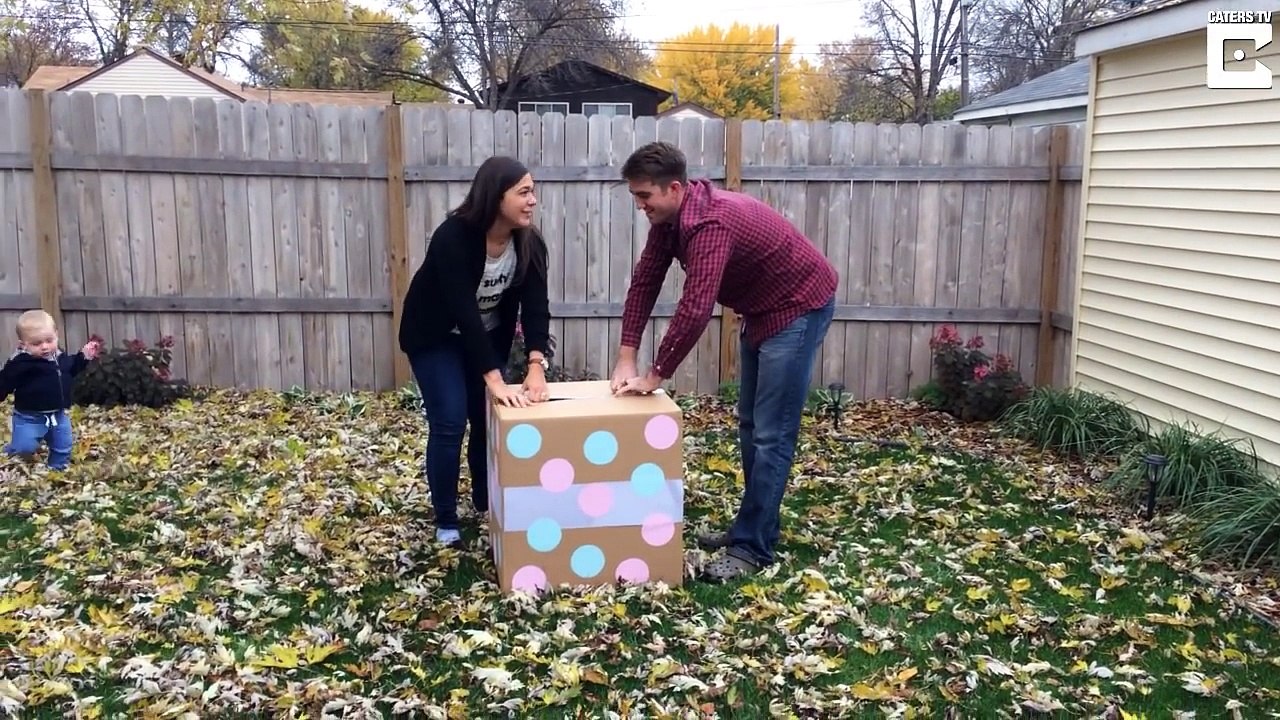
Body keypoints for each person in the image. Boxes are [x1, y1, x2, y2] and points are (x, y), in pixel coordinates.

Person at [611, 141, 839, 582]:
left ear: (674, 188)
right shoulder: (670, 220)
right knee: (751, 425)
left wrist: (656, 374)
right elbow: (644, 283)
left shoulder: (711, 223)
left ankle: (751, 548)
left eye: (644, 196)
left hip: (799, 306)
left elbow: (696, 307)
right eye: (635, 196)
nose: (640, 206)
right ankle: (755, 527)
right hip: (764, 308)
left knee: (772, 434)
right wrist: (626, 357)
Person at [398, 156, 554, 548]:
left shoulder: (528, 242)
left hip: (485, 337)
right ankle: (446, 520)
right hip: (435, 337)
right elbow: (463, 311)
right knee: (451, 420)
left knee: (487, 420)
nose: (532, 200)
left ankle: (486, 504)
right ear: (495, 196)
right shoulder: (454, 236)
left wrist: (536, 364)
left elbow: (535, 306)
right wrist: (494, 378)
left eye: (532, 191)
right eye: (523, 192)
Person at [0, 310, 101, 471]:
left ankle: (57, 469)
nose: (45, 347)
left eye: (49, 340)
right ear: (23, 344)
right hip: (29, 417)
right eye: (36, 343)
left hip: (58, 415)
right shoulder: (20, 364)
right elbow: (5, 381)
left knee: (63, 444)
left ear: (56, 335)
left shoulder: (59, 358)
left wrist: (84, 356)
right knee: (24, 448)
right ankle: (12, 450)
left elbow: (71, 369)